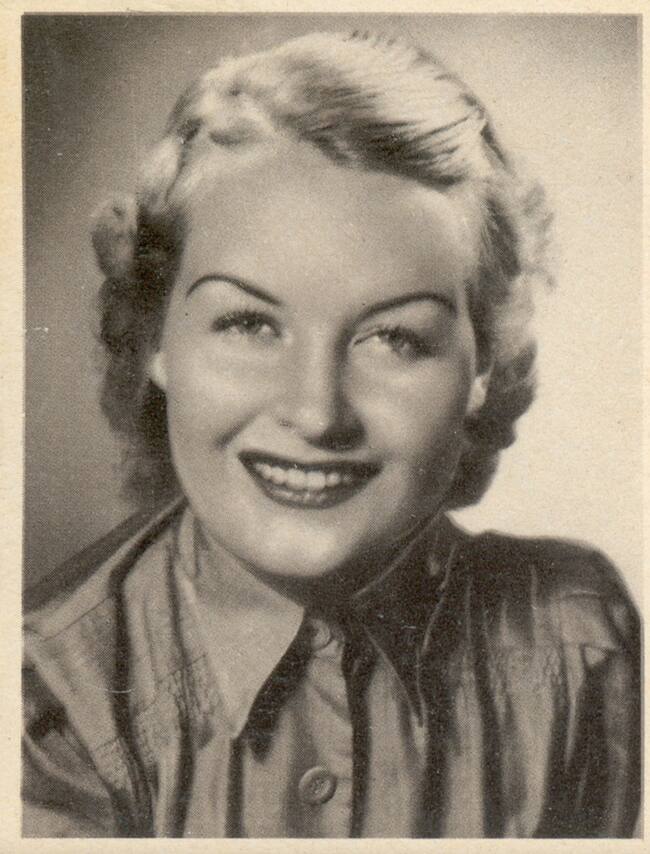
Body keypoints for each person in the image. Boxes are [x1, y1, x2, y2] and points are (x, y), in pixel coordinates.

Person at [22, 31, 640, 838]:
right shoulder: (44, 708)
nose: (317, 414)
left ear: (484, 362)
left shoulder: (578, 644)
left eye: (394, 338)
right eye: (249, 323)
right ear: (155, 336)